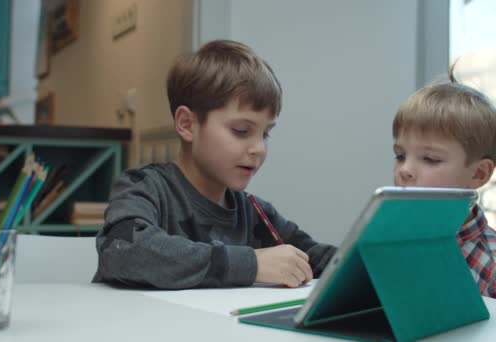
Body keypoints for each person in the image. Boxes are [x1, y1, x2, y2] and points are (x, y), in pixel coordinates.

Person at [93, 39, 336, 289]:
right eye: (241, 130)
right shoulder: (145, 187)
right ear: (187, 124)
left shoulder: (255, 213)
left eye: (265, 134)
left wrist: (371, 256)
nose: (259, 149)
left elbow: (321, 259)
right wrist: (252, 263)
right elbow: (124, 251)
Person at [392, 80, 496, 297]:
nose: (405, 170)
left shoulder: (491, 263)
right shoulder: (388, 240)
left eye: (430, 159)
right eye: (400, 156)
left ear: (479, 174)